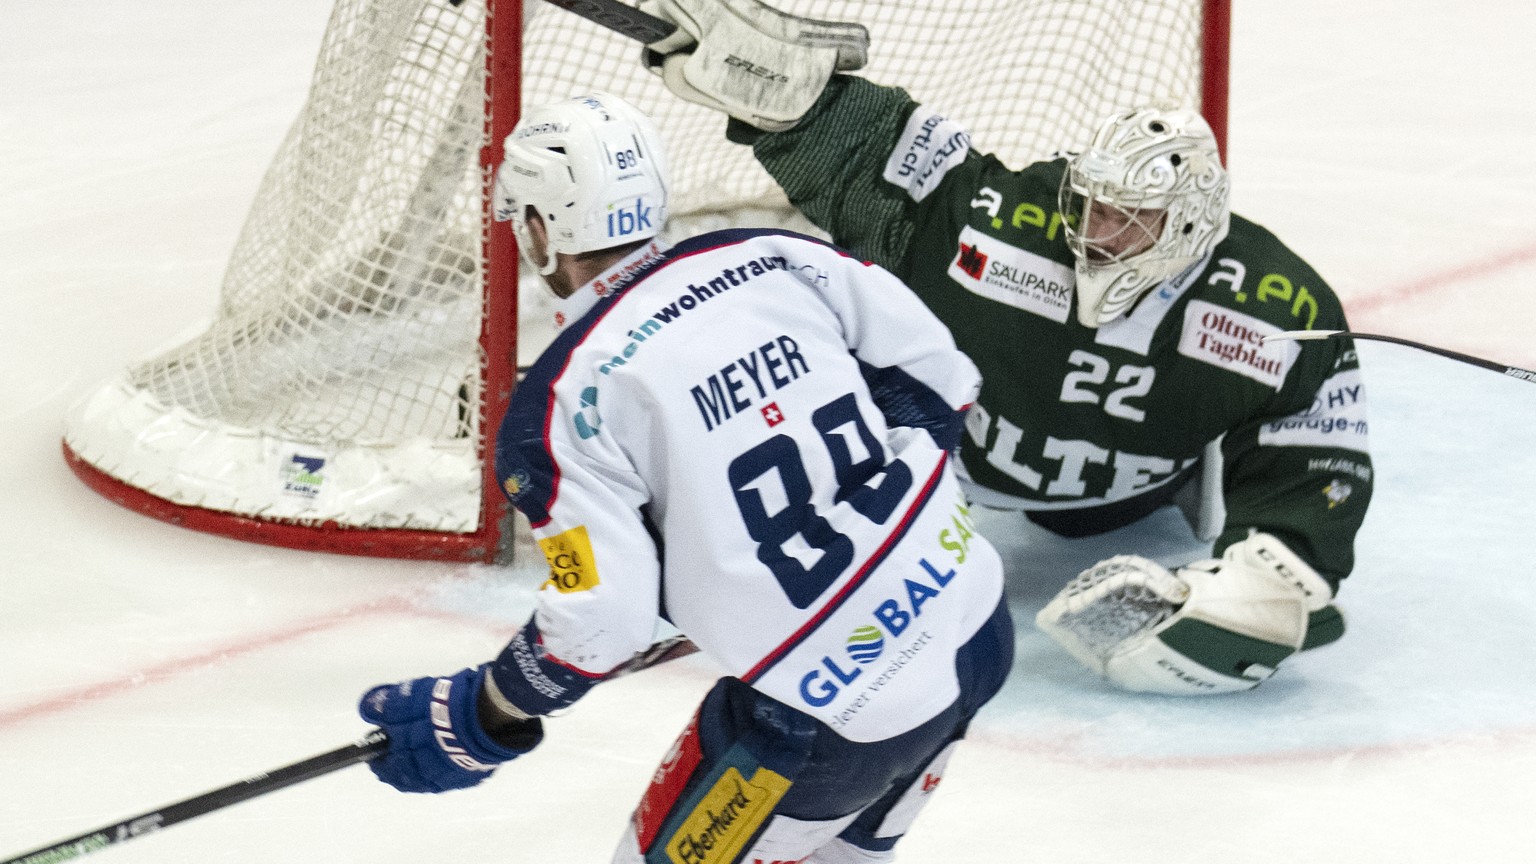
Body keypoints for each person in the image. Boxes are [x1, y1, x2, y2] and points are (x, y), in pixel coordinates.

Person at [638, 0, 1371, 695]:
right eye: (1094, 206)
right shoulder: (1010, 224)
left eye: (1130, 219)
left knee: (1082, 519)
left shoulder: (1282, 310)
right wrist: (792, 98)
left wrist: (1274, 575)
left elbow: (1311, 474)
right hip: (940, 485)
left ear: (1187, 225)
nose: (1097, 232)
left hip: (1120, 507)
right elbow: (894, 167)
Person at [356, 91, 1015, 864]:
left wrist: (486, 710)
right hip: (973, 620)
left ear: (541, 229)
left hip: (827, 725)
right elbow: (940, 381)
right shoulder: (771, 256)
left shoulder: (565, 403)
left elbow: (604, 621)